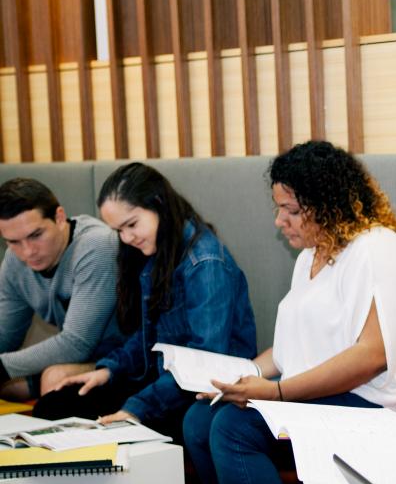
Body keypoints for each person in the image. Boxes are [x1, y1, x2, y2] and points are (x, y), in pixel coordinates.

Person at [182, 141, 396, 484]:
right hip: (325, 393)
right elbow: (286, 352)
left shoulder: (378, 249)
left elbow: (372, 356)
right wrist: (235, 378)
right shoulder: (312, 254)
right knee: (200, 419)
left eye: (291, 210)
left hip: (376, 402)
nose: (280, 222)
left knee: (234, 427)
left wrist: (277, 392)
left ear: (328, 205)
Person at [33, 163, 257, 437]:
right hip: (162, 382)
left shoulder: (204, 262)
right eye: (118, 231)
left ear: (159, 204)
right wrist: (108, 371)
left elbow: (204, 363)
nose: (126, 238)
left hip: (197, 392)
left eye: (131, 225)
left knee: (89, 419)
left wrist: (136, 408)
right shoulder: (159, 252)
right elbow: (148, 337)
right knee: (55, 405)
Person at [0, 178, 122, 401]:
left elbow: (77, 344)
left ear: (59, 217)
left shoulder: (97, 245)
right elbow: (5, 336)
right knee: (7, 388)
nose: (27, 252)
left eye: (35, 235)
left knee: (55, 379)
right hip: (78, 360)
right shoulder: (14, 263)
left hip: (125, 359)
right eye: (13, 242)